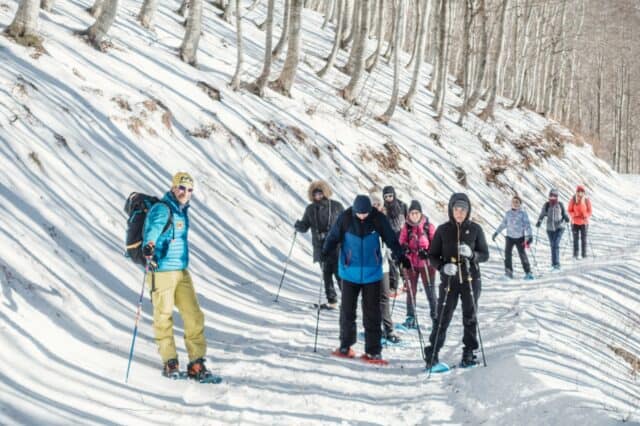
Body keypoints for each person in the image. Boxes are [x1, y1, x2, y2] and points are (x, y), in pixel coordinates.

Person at [142, 172, 212, 380]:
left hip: (181, 270)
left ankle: (196, 362)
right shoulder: (163, 209)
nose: (185, 192)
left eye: (189, 190)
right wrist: (149, 245)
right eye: (181, 188)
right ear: (173, 188)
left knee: (194, 315)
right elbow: (153, 229)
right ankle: (170, 362)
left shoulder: (182, 211)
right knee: (163, 316)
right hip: (162, 270)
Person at [322, 195, 409, 360]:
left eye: (365, 213)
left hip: (372, 273)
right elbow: (333, 237)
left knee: (372, 313)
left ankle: (373, 350)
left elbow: (391, 238)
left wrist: (401, 256)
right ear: (354, 210)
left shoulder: (378, 218)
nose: (362, 216)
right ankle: (345, 346)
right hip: (349, 273)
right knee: (347, 311)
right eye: (359, 213)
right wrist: (326, 252)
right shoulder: (345, 218)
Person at [423, 193, 489, 368]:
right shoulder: (443, 230)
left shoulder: (476, 229)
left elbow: (485, 255)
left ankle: (469, 352)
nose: (459, 213)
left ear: (468, 211)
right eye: (456, 209)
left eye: (463, 209)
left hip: (470, 279)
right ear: (451, 210)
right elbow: (432, 255)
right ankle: (433, 353)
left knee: (470, 315)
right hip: (449, 281)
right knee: (443, 316)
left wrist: (472, 254)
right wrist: (442, 267)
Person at [295, 181, 345, 309]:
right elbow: (305, 226)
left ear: (325, 192)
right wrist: (299, 226)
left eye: (320, 193)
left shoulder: (336, 206)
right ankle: (332, 301)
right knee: (326, 275)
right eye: (315, 194)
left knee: (339, 273)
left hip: (336, 246)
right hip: (320, 246)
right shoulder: (310, 209)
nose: (318, 196)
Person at [398, 200, 437, 329]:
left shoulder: (428, 226)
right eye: (412, 213)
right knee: (410, 290)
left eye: (416, 213)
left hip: (427, 264)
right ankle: (410, 317)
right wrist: (404, 248)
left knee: (430, 291)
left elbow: (437, 245)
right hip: (411, 263)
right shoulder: (406, 227)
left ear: (421, 213)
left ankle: (436, 317)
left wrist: (428, 252)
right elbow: (401, 242)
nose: (414, 215)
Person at [371, 193, 401, 344]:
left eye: (378, 204)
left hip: (383, 265)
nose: (375, 206)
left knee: (384, 298)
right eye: (373, 204)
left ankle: (389, 329)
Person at [492, 195, 534, 280]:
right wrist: (496, 233)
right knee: (507, 255)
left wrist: (530, 236)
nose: (515, 203)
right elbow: (503, 224)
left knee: (522, 255)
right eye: (513, 202)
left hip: (520, 238)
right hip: (509, 238)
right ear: (511, 203)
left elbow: (527, 226)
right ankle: (508, 272)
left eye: (517, 202)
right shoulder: (508, 213)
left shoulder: (523, 214)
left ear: (520, 204)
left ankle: (528, 272)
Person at [536, 189, 570, 271]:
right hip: (550, 229)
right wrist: (539, 221)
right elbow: (542, 214)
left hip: (560, 227)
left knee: (555, 244)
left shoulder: (560, 205)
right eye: (551, 195)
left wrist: (566, 218)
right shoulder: (547, 205)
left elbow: (564, 213)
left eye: (554, 195)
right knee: (552, 245)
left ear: (557, 196)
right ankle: (553, 263)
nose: (552, 197)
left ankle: (557, 264)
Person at [382, 186, 408, 293]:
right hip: (390, 238)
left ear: (394, 195)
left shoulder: (402, 206)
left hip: (401, 236)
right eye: (386, 196)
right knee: (391, 261)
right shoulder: (383, 209)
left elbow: (409, 221)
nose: (388, 198)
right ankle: (393, 284)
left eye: (390, 196)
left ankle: (407, 281)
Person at [567, 185, 592, 259]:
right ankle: (575, 254)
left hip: (584, 222)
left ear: (584, 192)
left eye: (581, 191)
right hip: (575, 222)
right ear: (576, 192)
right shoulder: (573, 199)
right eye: (578, 191)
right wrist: (574, 214)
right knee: (575, 239)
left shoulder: (586, 200)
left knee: (584, 239)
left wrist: (586, 215)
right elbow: (569, 210)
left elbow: (590, 211)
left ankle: (584, 254)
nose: (580, 193)